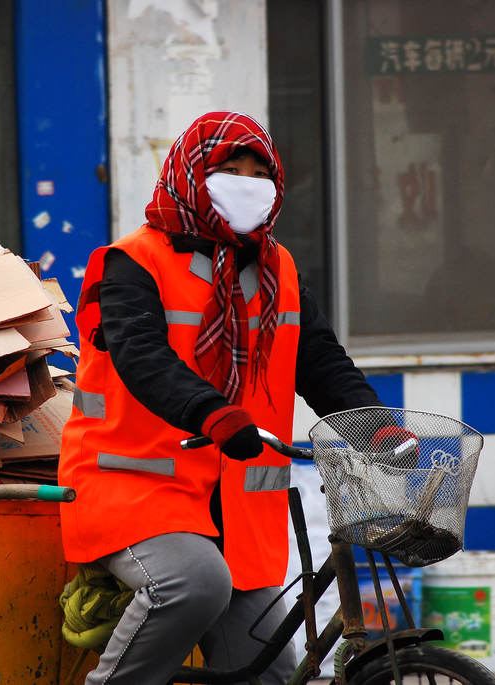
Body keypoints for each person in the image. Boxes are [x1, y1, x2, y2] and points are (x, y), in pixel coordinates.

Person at [59, 111, 385, 684]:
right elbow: (143, 359)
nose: (247, 182)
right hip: (135, 489)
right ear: (189, 173)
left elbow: (322, 363)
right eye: (229, 168)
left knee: (270, 674)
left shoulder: (278, 268)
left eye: (261, 172)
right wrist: (213, 412)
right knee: (193, 582)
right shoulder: (132, 262)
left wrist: (376, 428)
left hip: (239, 507)